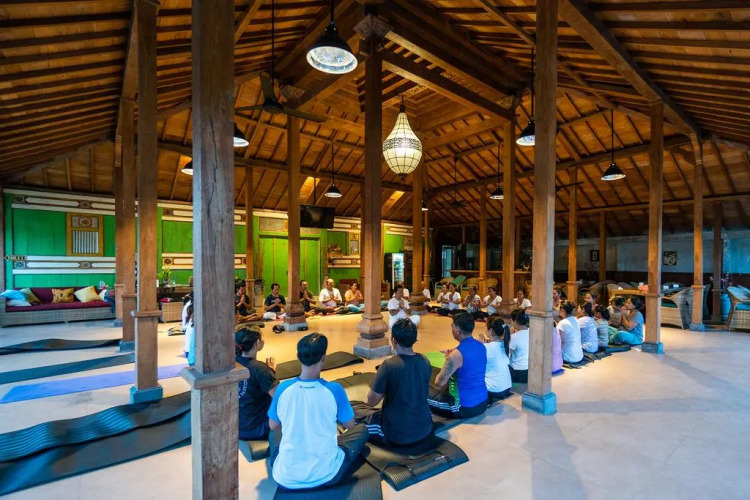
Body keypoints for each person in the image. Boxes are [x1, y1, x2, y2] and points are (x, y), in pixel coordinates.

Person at [268, 333, 368, 490]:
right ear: (323, 358)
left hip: (285, 479)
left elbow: (273, 425)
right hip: (328, 476)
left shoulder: (282, 388)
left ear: (298, 357)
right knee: (362, 430)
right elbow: (350, 425)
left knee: (274, 437)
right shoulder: (335, 390)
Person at [351, 319, 432, 445]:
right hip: (425, 427)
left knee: (351, 410)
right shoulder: (425, 360)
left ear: (393, 340)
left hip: (396, 433)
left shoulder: (389, 365)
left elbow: (371, 401)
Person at [427, 311, 489, 419]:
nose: (451, 329)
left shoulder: (455, 355)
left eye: (452, 326)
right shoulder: (481, 346)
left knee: (417, 391)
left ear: (457, 330)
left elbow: (439, 383)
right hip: (483, 402)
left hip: (463, 408)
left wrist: (449, 360)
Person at [236, 327, 277, 440]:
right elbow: (279, 397)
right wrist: (270, 373)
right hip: (256, 428)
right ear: (258, 343)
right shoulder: (260, 369)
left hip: (235, 426)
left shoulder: (233, 363)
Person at [477, 317, 512, 400]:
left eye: (486, 327)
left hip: (493, 390)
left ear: (490, 330)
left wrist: (480, 344)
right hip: (507, 387)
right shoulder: (506, 344)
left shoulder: (486, 347)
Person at [508, 310, 529, 383]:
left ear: (515, 321)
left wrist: (511, 336)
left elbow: (508, 356)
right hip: (531, 371)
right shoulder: (533, 332)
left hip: (518, 373)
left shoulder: (514, 337)